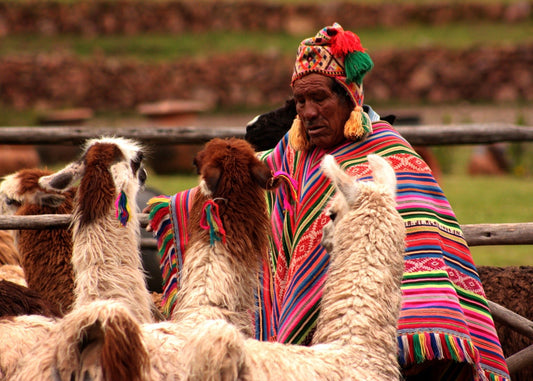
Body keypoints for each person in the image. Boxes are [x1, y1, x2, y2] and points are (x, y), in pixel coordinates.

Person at [148, 23, 510, 380]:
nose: (307, 112)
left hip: (380, 348)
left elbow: (419, 258)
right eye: (300, 101)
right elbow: (247, 177)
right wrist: (177, 206)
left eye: (319, 98)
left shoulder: (393, 160)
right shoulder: (293, 153)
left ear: (349, 97)